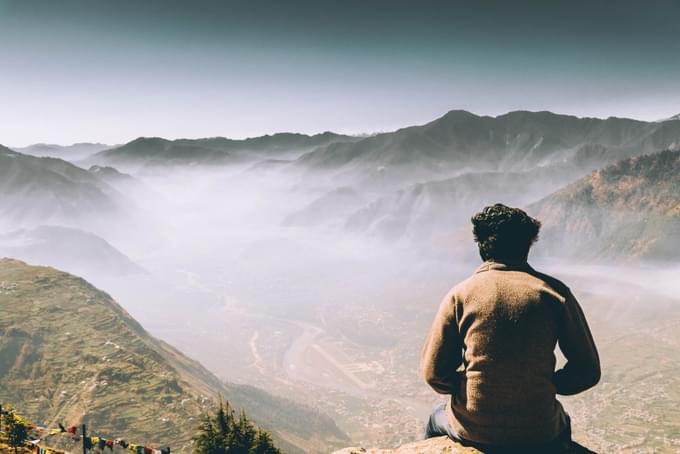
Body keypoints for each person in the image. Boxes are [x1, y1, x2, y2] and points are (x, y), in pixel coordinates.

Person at [421, 204, 600, 453]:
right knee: (562, 423)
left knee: (434, 419)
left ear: (481, 245)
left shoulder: (460, 294)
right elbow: (588, 371)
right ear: (528, 245)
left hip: (473, 427)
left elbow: (434, 373)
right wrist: (547, 383)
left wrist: (471, 384)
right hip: (540, 429)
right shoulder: (554, 293)